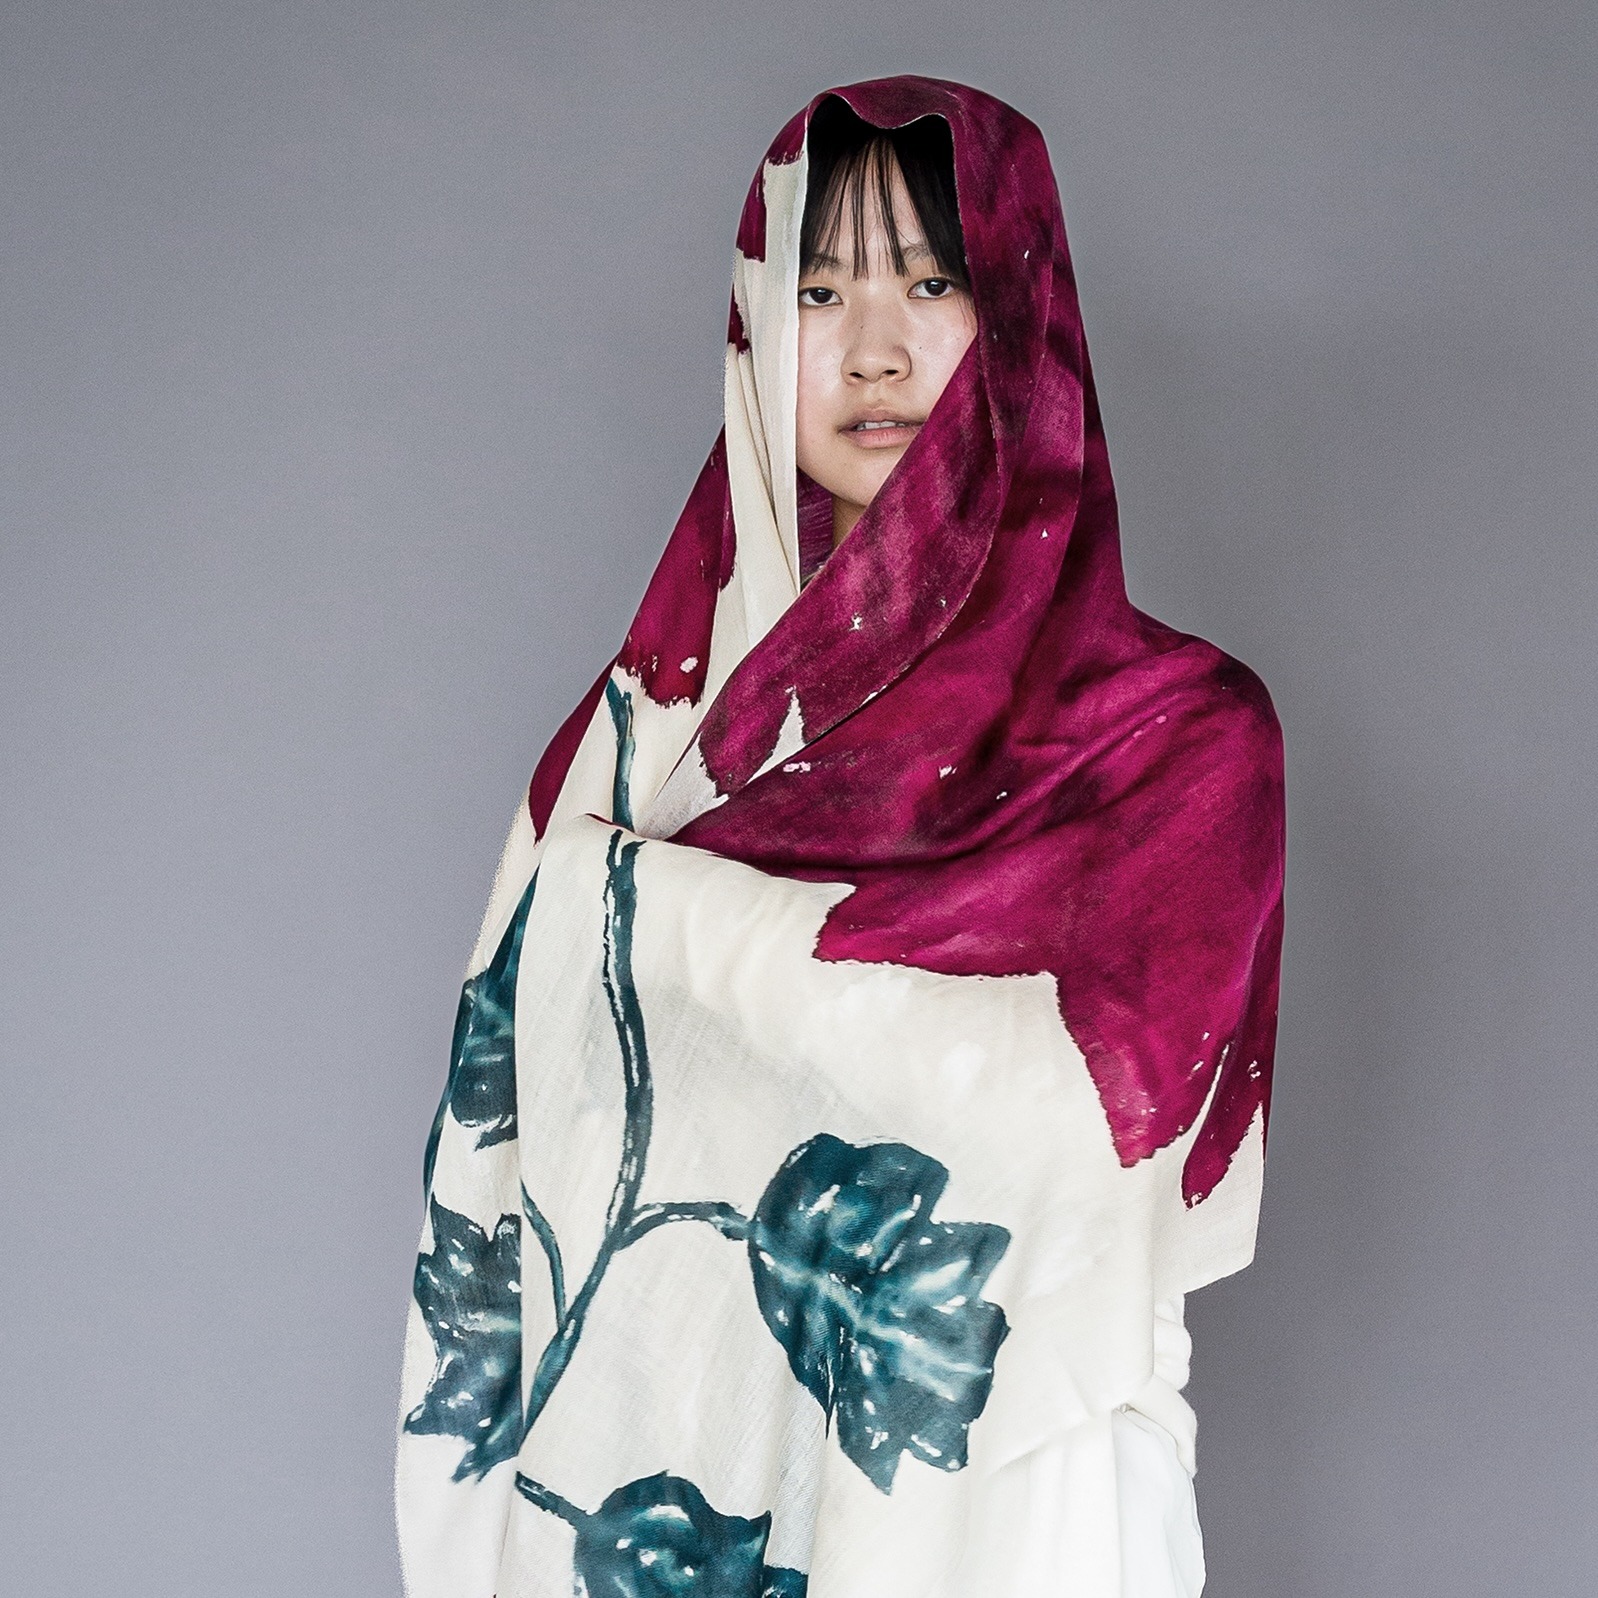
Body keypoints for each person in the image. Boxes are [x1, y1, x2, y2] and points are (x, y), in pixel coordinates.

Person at [396, 78, 1285, 1598]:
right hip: (661, 1522)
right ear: (756, 326)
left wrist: (655, 914)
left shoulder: (1170, 740)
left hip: (1017, 1512)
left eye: (930, 283)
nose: (868, 347)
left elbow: (1071, 1152)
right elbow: (498, 1180)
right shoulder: (641, 740)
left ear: (1020, 315)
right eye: (817, 287)